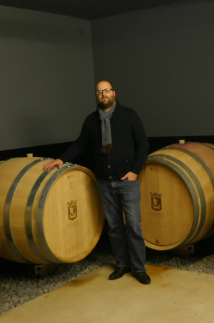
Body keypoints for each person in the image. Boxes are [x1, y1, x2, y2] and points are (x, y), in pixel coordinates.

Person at [43, 80, 151, 285]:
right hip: (104, 182)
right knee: (114, 227)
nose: (104, 94)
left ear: (114, 93)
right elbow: (80, 144)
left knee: (134, 226)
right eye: (100, 92)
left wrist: (135, 171)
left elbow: (143, 144)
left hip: (126, 181)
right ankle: (122, 264)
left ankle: (139, 268)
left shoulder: (129, 115)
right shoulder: (91, 120)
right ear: (96, 96)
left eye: (107, 90)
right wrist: (62, 158)